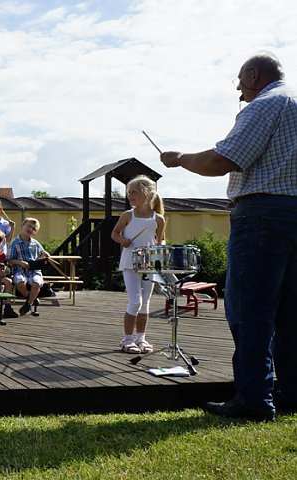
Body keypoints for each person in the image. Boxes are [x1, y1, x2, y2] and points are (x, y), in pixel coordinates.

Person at [160, 52, 297, 421]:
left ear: (253, 75)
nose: (238, 89)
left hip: (262, 214)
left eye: (239, 81)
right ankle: (292, 392)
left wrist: (179, 158)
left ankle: (254, 400)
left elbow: (223, 160)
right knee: (290, 312)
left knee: (250, 310)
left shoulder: (267, 103)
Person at [109, 175, 165, 354]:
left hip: (149, 264)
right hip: (129, 263)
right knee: (135, 301)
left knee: (146, 303)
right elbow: (114, 234)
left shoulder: (159, 219)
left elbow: (160, 241)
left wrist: (160, 249)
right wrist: (123, 240)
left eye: (134, 192)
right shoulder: (127, 215)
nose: (129, 196)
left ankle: (141, 339)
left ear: (147, 193)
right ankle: (127, 340)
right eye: (128, 192)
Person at [8, 217, 49, 317]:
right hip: (19, 270)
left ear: (35, 233)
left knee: (36, 283)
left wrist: (43, 256)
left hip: (34, 270)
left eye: (34, 229)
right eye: (29, 226)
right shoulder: (14, 243)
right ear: (22, 226)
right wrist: (20, 262)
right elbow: (9, 259)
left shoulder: (35, 243)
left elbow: (44, 253)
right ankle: (30, 297)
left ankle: (28, 304)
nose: (31, 229)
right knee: (20, 282)